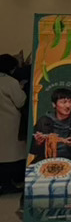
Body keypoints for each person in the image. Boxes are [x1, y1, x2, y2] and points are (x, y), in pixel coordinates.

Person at [0, 54, 26, 194]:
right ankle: (9, 184)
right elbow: (20, 101)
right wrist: (22, 88)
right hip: (10, 122)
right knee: (11, 155)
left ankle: (2, 183)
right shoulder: (10, 81)